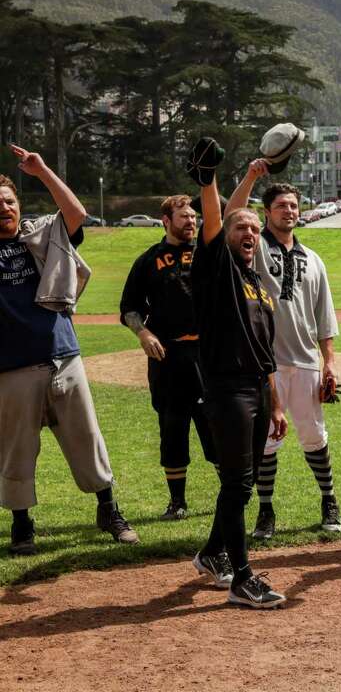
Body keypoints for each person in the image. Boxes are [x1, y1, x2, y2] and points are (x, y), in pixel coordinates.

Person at [0, 146, 139, 555]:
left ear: (19, 204)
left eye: (8, 201)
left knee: (87, 439)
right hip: (11, 368)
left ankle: (108, 510)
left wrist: (42, 171)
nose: (3, 208)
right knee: (16, 448)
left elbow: (76, 215)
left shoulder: (39, 235)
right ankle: (22, 524)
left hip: (62, 354)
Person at [189, 157, 288, 608]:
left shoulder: (257, 285)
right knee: (236, 484)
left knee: (242, 484)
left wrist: (277, 403)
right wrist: (211, 179)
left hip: (256, 389)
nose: (248, 233)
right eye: (240, 229)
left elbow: (266, 355)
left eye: (253, 229)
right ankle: (241, 578)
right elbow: (217, 219)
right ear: (225, 239)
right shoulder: (217, 272)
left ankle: (213, 553)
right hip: (227, 388)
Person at [229, 163, 341, 539]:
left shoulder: (314, 259)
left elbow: (324, 318)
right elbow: (232, 216)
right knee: (266, 441)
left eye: (294, 205)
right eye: (281, 206)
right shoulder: (256, 247)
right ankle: (266, 511)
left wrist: (330, 365)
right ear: (267, 213)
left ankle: (329, 499)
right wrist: (251, 178)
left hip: (307, 361)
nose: (289, 211)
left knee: (314, 436)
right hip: (267, 363)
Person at [119, 195, 217, 520]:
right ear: (166, 220)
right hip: (169, 358)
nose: (191, 221)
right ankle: (177, 502)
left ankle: (230, 496)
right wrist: (144, 333)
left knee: (216, 425)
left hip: (207, 354)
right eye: (184, 217)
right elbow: (130, 307)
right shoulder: (148, 260)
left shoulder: (208, 254)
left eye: (193, 216)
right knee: (172, 427)